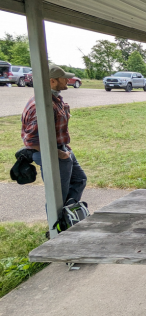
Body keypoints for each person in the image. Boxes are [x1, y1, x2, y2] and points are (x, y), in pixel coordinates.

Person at [21, 64, 87, 208]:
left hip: (62, 149)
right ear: (52, 81)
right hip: (52, 153)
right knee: (57, 197)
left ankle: (68, 216)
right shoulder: (42, 106)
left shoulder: (54, 99)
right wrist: (58, 154)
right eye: (63, 79)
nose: (67, 81)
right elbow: (30, 141)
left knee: (79, 180)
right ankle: (56, 228)